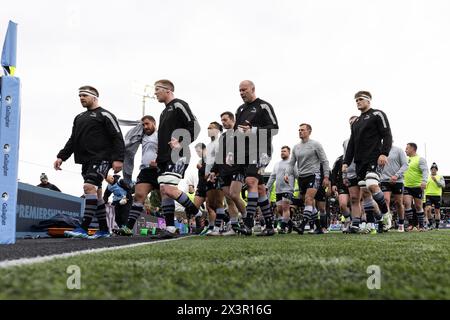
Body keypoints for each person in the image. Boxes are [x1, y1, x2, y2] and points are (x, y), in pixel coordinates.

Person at [54, 85, 125, 239]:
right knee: (97, 196)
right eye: (80, 96)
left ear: (94, 97)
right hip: (85, 161)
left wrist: (119, 159)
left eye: (84, 95)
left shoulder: (106, 115)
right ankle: (105, 230)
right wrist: (61, 156)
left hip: (101, 158)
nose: (81, 98)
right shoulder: (79, 117)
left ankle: (83, 228)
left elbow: (117, 137)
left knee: (88, 187)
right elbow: (73, 140)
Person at [153, 79, 200, 237]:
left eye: (157, 89)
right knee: (163, 191)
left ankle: (196, 213)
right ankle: (170, 228)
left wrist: (181, 141)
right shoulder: (163, 112)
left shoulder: (179, 104)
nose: (155, 92)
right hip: (164, 157)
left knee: (169, 189)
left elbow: (194, 126)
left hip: (179, 154)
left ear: (168, 90)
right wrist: (158, 157)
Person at [233, 80, 279, 236]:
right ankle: (270, 226)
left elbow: (274, 128)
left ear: (252, 89)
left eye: (244, 90)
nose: (241, 93)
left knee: (250, 181)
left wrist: (253, 130)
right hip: (244, 153)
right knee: (259, 189)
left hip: (262, 150)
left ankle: (248, 224)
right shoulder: (239, 109)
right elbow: (236, 133)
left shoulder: (263, 106)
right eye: (239, 90)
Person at [342, 91, 393, 233]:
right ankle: (372, 223)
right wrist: (346, 162)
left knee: (371, 184)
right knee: (365, 193)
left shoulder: (378, 114)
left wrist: (384, 153)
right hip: (359, 161)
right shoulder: (356, 122)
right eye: (356, 100)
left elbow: (387, 134)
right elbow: (352, 143)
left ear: (368, 101)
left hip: (374, 157)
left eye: (360, 99)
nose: (357, 102)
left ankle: (386, 214)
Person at [114, 115, 159, 236]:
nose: (145, 127)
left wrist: (159, 161)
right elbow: (130, 142)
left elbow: (169, 151)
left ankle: (172, 225)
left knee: (167, 196)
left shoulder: (161, 135)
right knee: (139, 196)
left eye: (147, 124)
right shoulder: (142, 135)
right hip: (145, 171)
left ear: (154, 123)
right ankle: (128, 228)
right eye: (143, 125)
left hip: (160, 170)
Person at [285, 123, 330, 235]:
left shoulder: (316, 144)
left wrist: (326, 176)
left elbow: (325, 161)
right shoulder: (296, 147)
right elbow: (291, 163)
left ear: (309, 131)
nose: (300, 132)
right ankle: (319, 227)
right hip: (302, 177)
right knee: (308, 203)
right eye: (299, 130)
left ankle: (302, 226)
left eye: (303, 130)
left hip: (314, 175)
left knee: (309, 199)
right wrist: (287, 174)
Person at [266, 146, 295, 234]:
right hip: (278, 190)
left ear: (289, 153)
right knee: (279, 210)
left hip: (288, 189)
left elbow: (297, 174)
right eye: (281, 151)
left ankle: (282, 228)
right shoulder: (277, 164)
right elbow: (272, 176)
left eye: (284, 151)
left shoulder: (292, 163)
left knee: (285, 208)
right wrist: (267, 186)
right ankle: (291, 224)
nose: (282, 153)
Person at [380, 145, 408, 232]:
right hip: (384, 179)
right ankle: (387, 223)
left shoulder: (398, 150)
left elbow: (405, 165)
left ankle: (401, 223)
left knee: (398, 203)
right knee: (385, 200)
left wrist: (396, 175)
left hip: (398, 180)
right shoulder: (379, 150)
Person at [403, 142, 428, 231]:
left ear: (413, 149)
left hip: (417, 186)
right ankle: (410, 224)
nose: (405, 150)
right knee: (407, 204)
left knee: (418, 206)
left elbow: (425, 171)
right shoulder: (405, 160)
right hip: (407, 186)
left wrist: (424, 181)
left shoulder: (420, 159)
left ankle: (421, 225)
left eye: (407, 148)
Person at [425, 162, 445, 229]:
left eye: (435, 169)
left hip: (437, 195)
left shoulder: (440, 177)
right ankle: (430, 224)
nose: (433, 170)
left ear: (437, 170)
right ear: (430, 170)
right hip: (428, 195)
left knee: (437, 211)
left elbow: (443, 185)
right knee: (428, 209)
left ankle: (437, 225)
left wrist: (436, 180)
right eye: (432, 169)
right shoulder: (427, 176)